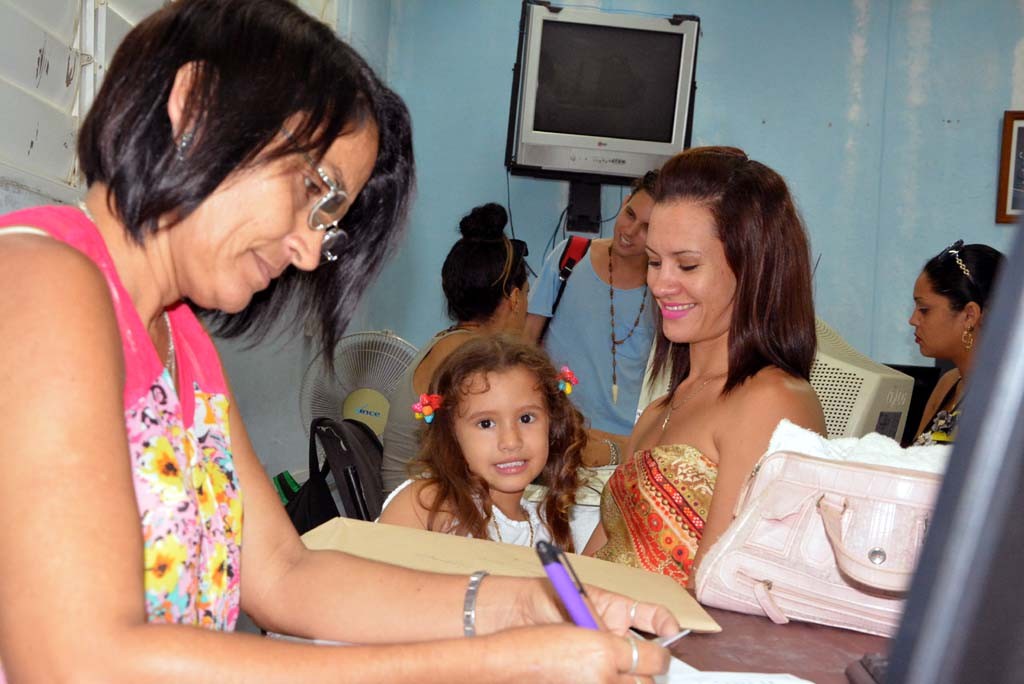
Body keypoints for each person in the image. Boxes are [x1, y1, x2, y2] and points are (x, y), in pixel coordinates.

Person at [0, 1, 677, 681]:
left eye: (328, 223)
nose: (303, 251)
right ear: (195, 106)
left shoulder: (178, 336)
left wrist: (524, 606)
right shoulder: (41, 283)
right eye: (315, 192)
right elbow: (75, 660)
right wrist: (493, 660)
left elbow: (286, 574)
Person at [583, 147, 827, 590]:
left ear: (753, 269)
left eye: (687, 264)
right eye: (655, 261)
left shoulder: (771, 401)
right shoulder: (662, 408)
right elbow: (592, 567)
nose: (659, 282)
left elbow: (718, 592)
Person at [380, 335, 585, 551]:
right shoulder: (429, 504)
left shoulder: (548, 527)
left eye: (526, 418)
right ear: (451, 433)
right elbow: (373, 580)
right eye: (486, 423)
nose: (511, 441)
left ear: (553, 424)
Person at [380, 202, 530, 494]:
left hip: (414, 503)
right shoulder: (474, 361)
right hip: (422, 519)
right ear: (513, 298)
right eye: (526, 295)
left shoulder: (448, 343)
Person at [525, 171, 658, 468]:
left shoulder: (665, 288)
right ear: (624, 202)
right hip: (560, 440)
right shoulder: (570, 257)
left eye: (647, 227)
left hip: (628, 448)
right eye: (630, 214)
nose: (630, 230)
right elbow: (526, 343)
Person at [909, 240, 1005, 445]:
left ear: (970, 315)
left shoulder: (1006, 398)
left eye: (924, 310)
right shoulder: (949, 383)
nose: (913, 320)